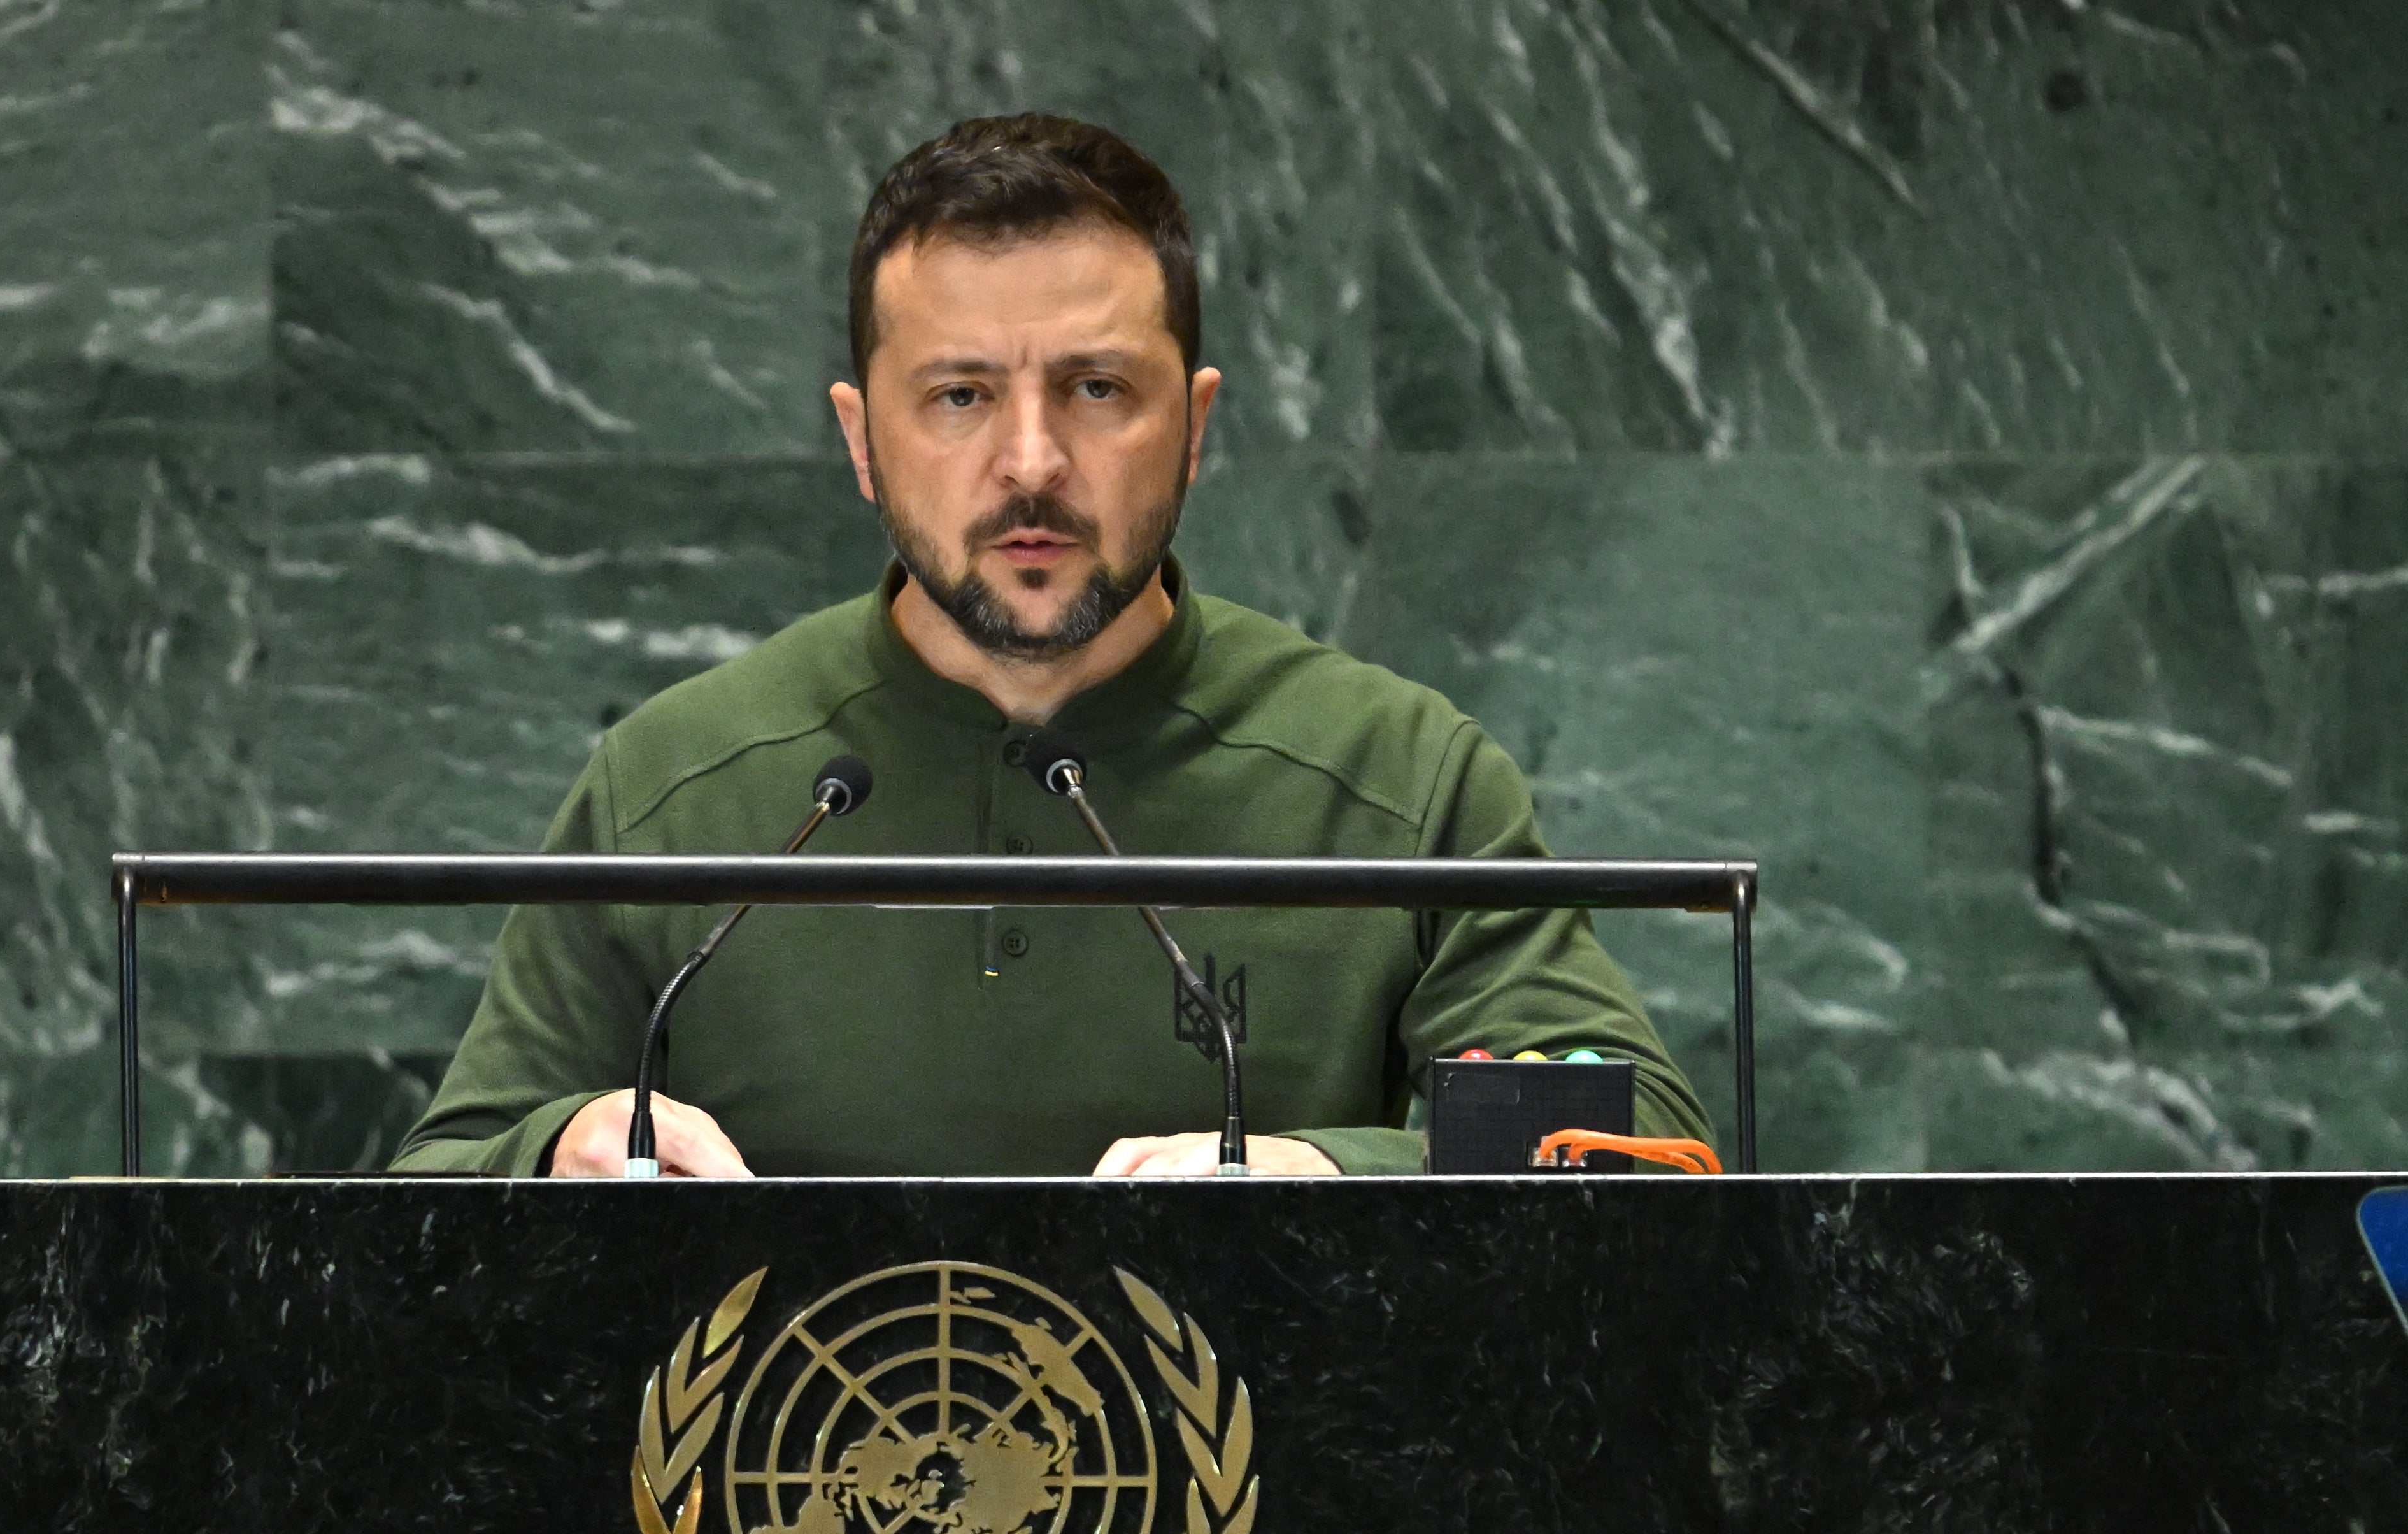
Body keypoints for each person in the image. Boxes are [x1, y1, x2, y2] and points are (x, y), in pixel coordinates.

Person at [393, 113, 1713, 1180]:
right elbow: (430, 1196)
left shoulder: (1398, 777)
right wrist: (551, 1150)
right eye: (959, 396)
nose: (1030, 463)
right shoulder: (674, 785)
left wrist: (1326, 1173)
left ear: (1192, 426)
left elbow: (1639, 1157)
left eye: (1095, 390)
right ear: (860, 438)